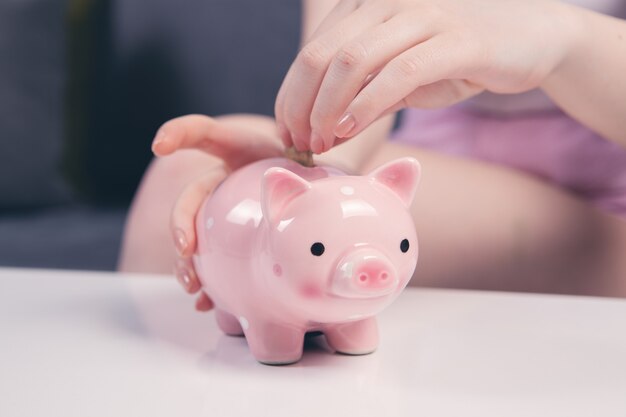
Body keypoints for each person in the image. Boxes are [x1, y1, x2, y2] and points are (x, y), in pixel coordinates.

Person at [119, 0, 626, 310]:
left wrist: (564, 40)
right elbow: (348, 67)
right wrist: (311, 163)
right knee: (201, 190)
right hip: (452, 177)